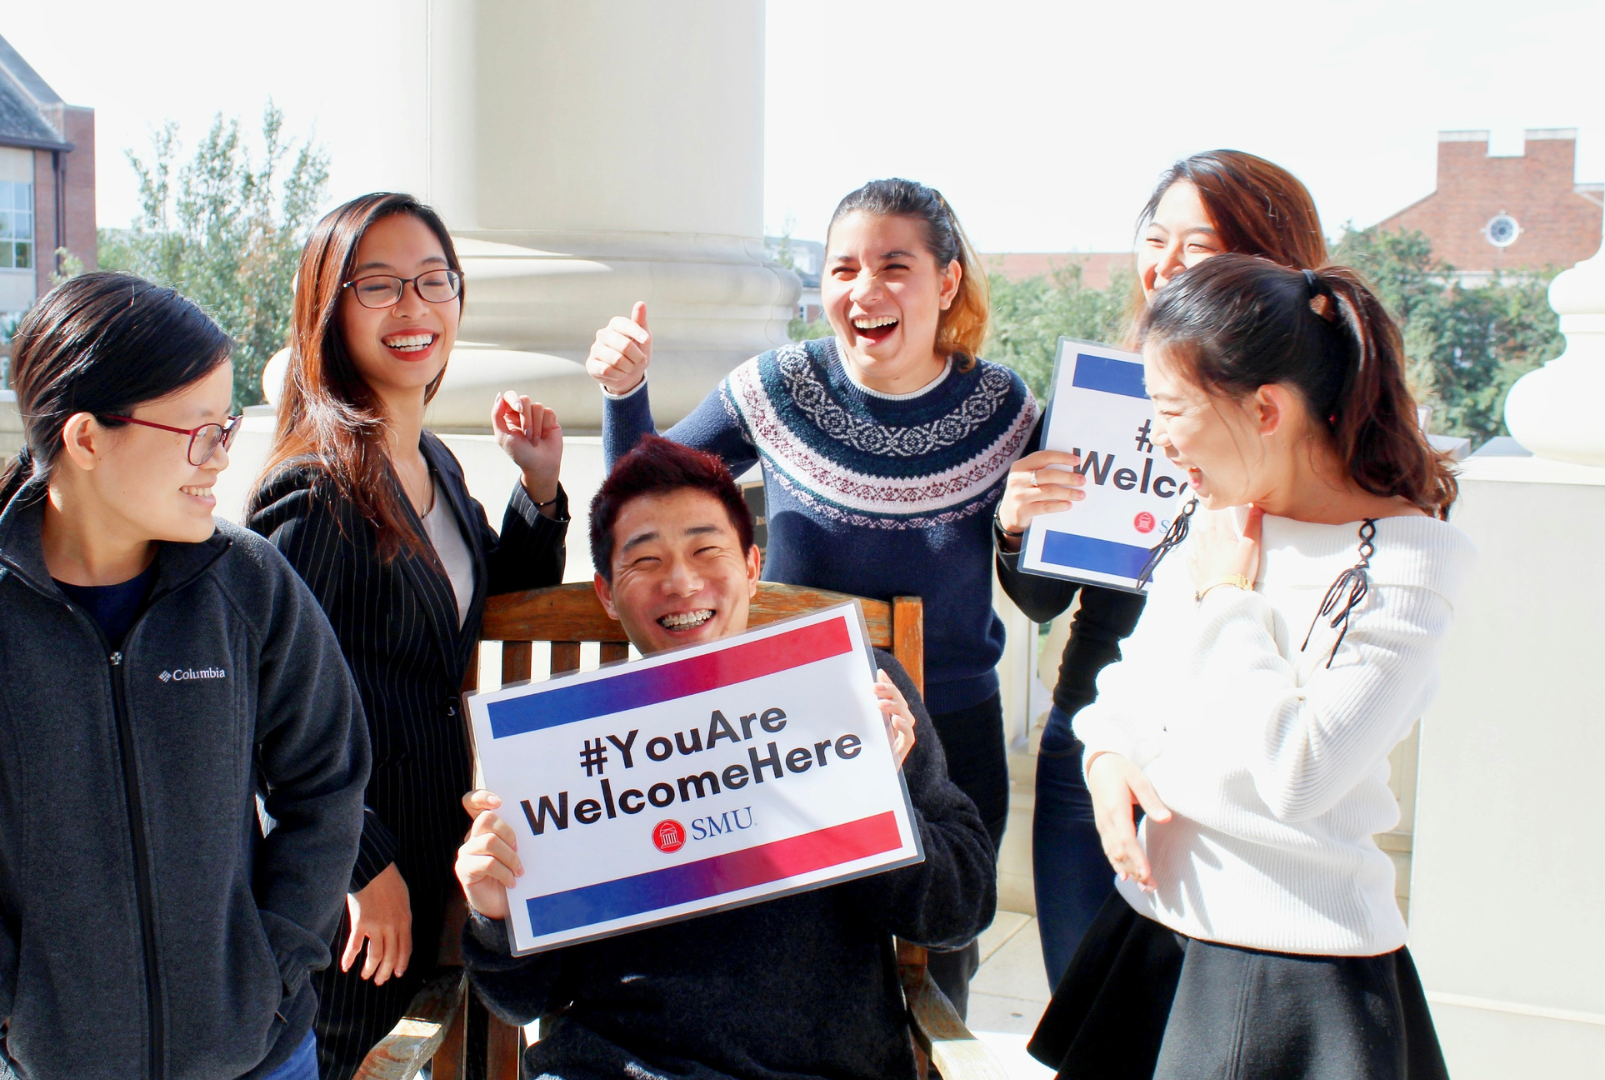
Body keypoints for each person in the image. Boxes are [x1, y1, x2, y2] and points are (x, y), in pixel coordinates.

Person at [0, 272, 369, 1080]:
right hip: (29, 1064)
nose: (221, 460)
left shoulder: (251, 587)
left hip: (254, 1056)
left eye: (226, 427)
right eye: (199, 432)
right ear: (86, 439)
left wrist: (269, 970)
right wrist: (2, 1000)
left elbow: (327, 786)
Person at [585, 179, 1033, 1008]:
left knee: (941, 971)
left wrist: (1019, 530)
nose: (865, 290)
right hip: (790, 727)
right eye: (843, 268)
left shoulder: (1005, 408)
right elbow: (644, 493)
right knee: (808, 969)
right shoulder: (777, 385)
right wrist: (624, 392)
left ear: (948, 281)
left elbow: (1040, 596)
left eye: (895, 266)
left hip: (954, 734)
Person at [1026, 256, 1469, 1079]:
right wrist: (1107, 755)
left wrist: (1230, 600)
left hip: (1295, 971)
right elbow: (1133, 679)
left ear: (1265, 408)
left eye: (1170, 410)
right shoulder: (1216, 513)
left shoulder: (1412, 560)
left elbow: (1299, 773)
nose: (1157, 439)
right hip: (1155, 932)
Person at [453, 435, 996, 1080]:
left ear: (753, 565)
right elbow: (519, 1001)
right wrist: (493, 911)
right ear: (606, 593)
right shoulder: (564, 757)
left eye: (707, 550)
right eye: (645, 560)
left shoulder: (854, 688)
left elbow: (961, 909)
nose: (681, 583)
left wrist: (882, 793)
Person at [247, 192, 570, 1080]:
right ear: (328, 306)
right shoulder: (312, 490)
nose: (413, 307)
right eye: (379, 285)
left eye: (434, 281)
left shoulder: (430, 461)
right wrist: (363, 862)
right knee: (355, 1055)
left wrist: (538, 491)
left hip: (440, 838)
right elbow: (267, 706)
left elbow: (482, 611)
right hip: (355, 876)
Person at [993, 150, 1332, 984]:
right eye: (1156, 240)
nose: (1167, 266)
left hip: (1234, 765)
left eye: (1200, 245)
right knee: (1089, 1025)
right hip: (1094, 745)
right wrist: (1013, 524)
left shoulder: (1317, 423)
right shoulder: (1103, 396)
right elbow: (1040, 599)